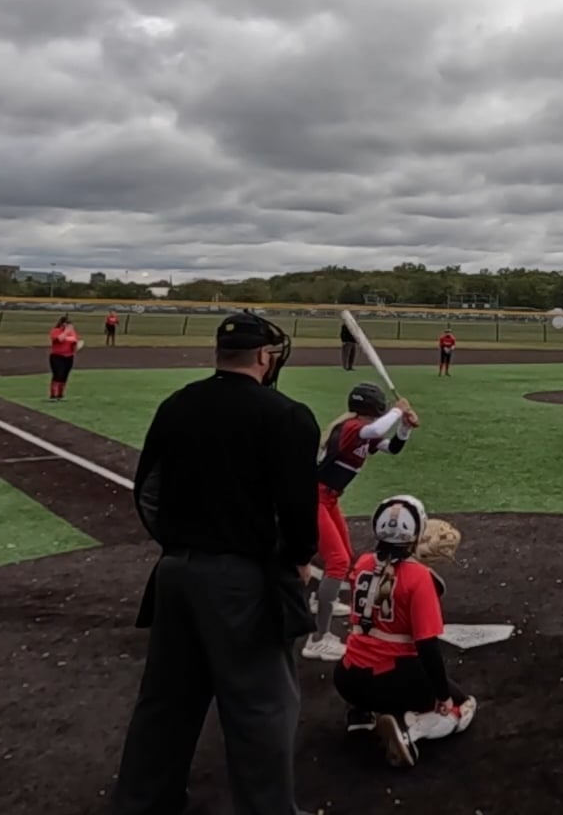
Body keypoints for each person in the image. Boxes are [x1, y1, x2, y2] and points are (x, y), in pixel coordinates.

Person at [110, 313, 321, 815]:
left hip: (175, 574)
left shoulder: (177, 404)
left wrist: (180, 545)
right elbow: (297, 508)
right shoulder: (288, 416)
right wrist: (298, 559)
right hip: (243, 582)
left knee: (165, 702)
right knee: (261, 706)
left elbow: (148, 492)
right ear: (265, 357)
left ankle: (143, 803)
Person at [334, 494, 476, 768]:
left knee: (367, 638)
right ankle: (410, 731)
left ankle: (360, 715)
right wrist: (443, 696)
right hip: (389, 681)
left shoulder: (362, 563)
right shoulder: (419, 578)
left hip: (346, 678)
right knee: (462, 707)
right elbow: (427, 647)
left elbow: (385, 579)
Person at [302, 384, 420, 662]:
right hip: (313, 498)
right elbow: (377, 430)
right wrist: (398, 410)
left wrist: (405, 427)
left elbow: (392, 447)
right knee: (338, 562)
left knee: (345, 555)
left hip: (328, 499)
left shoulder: (361, 431)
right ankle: (317, 639)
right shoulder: (353, 427)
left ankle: (322, 600)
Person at [47, 316, 82, 401]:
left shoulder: (73, 333)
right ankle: (53, 394)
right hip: (57, 356)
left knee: (64, 375)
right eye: (67, 324)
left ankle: (60, 394)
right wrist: (66, 331)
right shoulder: (56, 331)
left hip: (68, 356)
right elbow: (59, 339)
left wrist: (77, 345)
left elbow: (74, 344)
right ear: (63, 324)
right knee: (58, 374)